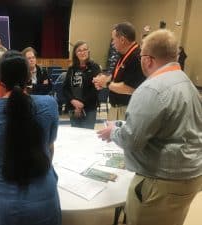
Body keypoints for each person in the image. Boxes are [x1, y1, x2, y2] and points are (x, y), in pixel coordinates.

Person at [97, 29, 202, 225]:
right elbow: (168, 125)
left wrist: (114, 131)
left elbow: (132, 140)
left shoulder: (151, 88)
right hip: (190, 175)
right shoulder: (187, 83)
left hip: (162, 181)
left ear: (148, 59)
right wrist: (120, 125)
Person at [0, 50, 61, 225]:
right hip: (44, 196)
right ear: (29, 75)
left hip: (1, 201)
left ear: (0, 79)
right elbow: (49, 146)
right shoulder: (49, 104)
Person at [93, 22, 145, 121]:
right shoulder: (123, 55)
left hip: (127, 109)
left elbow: (130, 88)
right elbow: (116, 78)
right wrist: (102, 81)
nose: (112, 43)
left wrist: (107, 84)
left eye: (114, 39)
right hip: (117, 108)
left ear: (122, 40)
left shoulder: (136, 57)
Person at [62, 41, 101, 129]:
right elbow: (65, 88)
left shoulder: (95, 67)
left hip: (89, 108)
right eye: (79, 50)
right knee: (76, 135)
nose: (82, 52)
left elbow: (96, 89)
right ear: (75, 54)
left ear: (88, 51)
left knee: (87, 135)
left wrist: (81, 103)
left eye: (85, 50)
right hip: (73, 108)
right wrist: (73, 101)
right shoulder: (71, 69)